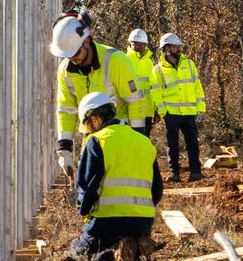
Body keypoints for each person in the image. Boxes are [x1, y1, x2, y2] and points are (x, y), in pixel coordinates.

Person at [62, 91, 163, 261]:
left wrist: (83, 209)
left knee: (78, 251)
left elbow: (87, 186)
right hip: (142, 223)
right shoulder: (145, 142)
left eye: (88, 126)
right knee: (126, 241)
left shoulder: (97, 141)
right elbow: (156, 191)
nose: (88, 132)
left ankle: (108, 258)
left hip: (107, 223)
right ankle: (136, 254)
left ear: (95, 119)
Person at [49, 11, 151, 180]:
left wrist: (137, 139)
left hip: (120, 135)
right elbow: (66, 110)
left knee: (120, 184)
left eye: (74, 54)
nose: (71, 60)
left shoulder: (115, 61)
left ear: (86, 42)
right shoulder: (65, 70)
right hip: (90, 137)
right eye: (66, 56)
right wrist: (64, 149)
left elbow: (135, 103)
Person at [151, 32, 207, 183]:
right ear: (166, 49)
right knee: (172, 145)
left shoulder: (189, 64)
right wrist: (164, 112)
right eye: (175, 46)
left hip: (189, 112)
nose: (178, 49)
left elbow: (197, 86)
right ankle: (174, 173)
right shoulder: (158, 70)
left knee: (193, 143)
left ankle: (195, 172)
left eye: (178, 46)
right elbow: (156, 93)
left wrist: (200, 108)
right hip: (172, 113)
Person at [125, 28, 157, 136]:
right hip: (131, 110)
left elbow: (154, 87)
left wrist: (156, 109)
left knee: (145, 141)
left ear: (145, 45)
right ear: (130, 43)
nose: (137, 46)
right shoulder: (124, 60)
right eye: (135, 44)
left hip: (147, 110)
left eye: (140, 44)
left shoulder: (149, 62)